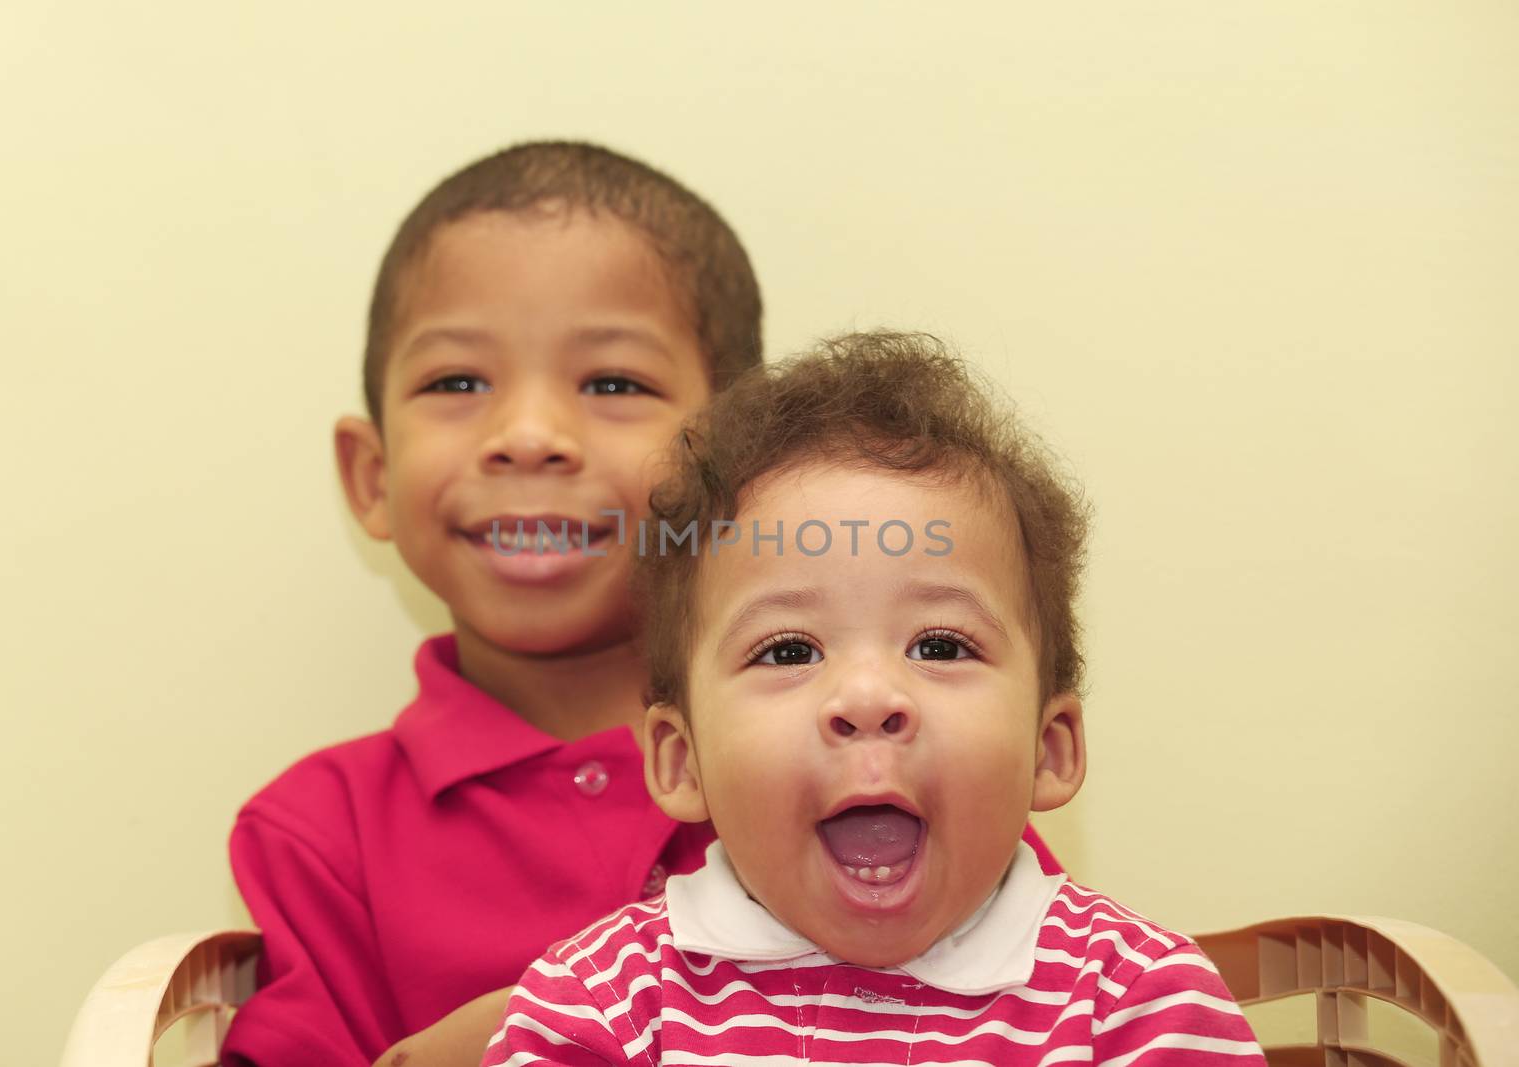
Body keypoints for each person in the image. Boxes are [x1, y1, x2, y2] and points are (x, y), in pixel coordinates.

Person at [223, 140, 1064, 1067]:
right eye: (457, 382)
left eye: (613, 383)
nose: (529, 437)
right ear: (371, 474)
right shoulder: (317, 832)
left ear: (731, 467)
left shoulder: (877, 754)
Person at [483, 332, 1264, 1065]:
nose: (866, 696)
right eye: (788, 650)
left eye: (939, 645)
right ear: (682, 759)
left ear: (1049, 746)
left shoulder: (1135, 1006)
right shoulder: (602, 1009)